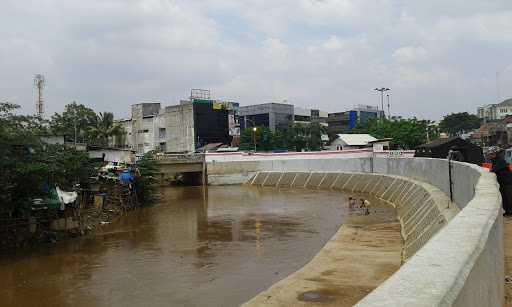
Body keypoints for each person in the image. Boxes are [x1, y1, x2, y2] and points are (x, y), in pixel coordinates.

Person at [488, 146, 512, 216]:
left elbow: (494, 169)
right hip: (502, 183)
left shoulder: (501, 161)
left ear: (497, 154)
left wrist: (492, 170)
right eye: (490, 154)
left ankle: (510, 212)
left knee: (509, 198)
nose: (490, 155)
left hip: (508, 183)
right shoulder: (495, 161)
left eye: (492, 154)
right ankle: (507, 211)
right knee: (504, 198)